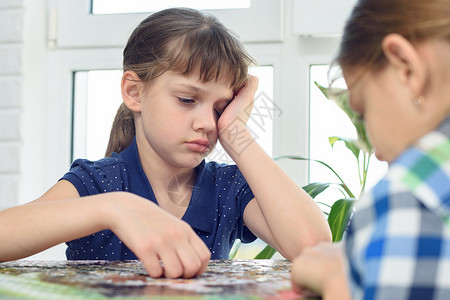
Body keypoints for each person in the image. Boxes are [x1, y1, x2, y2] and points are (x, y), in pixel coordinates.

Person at [0, 8, 331, 279]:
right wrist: (113, 208)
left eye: (220, 109)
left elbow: (311, 245)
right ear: (134, 92)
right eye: (187, 99)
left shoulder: (226, 188)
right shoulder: (99, 183)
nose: (207, 122)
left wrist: (236, 133)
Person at [291, 0, 450, 299]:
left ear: (405, 67)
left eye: (363, 112)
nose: (376, 152)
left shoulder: (410, 199)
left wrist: (336, 284)